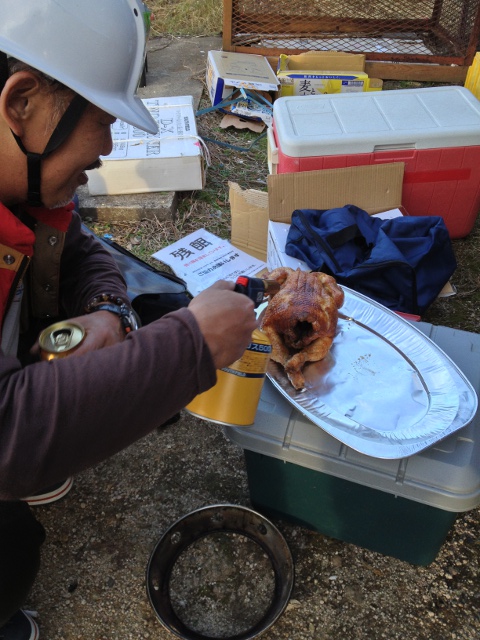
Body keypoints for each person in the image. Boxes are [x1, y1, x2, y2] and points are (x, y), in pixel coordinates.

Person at [0, 1, 258, 637]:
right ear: (21, 103)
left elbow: (79, 247)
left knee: (151, 307)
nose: (108, 147)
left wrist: (109, 312)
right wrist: (191, 346)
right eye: (100, 119)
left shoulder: (21, 187)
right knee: (8, 556)